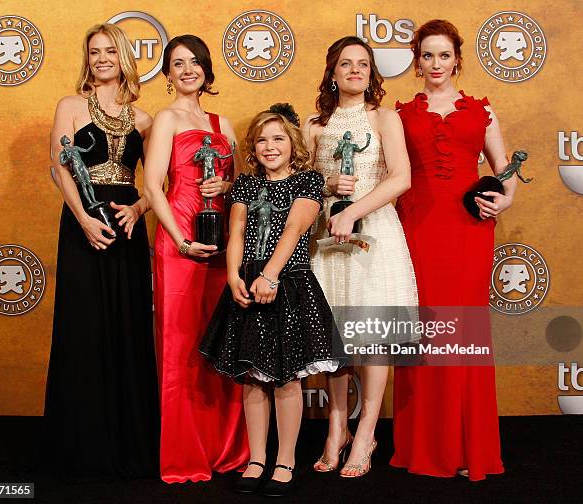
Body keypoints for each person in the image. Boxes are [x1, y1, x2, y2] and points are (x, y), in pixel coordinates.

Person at [200, 104, 343, 497]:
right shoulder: (245, 184)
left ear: (292, 143)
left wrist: (270, 275)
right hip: (248, 281)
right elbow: (238, 229)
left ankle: (285, 460)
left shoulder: (308, 181)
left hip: (288, 283)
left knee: (286, 378)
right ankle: (257, 458)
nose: (269, 146)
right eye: (262, 139)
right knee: (253, 377)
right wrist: (233, 276)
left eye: (278, 138)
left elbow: (295, 229)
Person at [391, 19, 511, 481]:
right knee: (422, 329)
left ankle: (467, 446)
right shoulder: (400, 113)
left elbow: (504, 168)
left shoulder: (483, 110)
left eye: (444, 55)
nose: (435, 64)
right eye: (427, 55)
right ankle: (424, 445)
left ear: (457, 58)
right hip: (417, 227)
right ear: (416, 60)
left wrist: (503, 197)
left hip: (468, 228)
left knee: (462, 329)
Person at [44, 23, 159, 477]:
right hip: (82, 225)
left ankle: (129, 446)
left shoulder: (145, 118)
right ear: (86, 59)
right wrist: (84, 219)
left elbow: (157, 183)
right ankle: (82, 446)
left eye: (110, 51)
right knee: (85, 327)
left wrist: (139, 210)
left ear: (124, 57)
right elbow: (59, 167)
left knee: (128, 327)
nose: (102, 58)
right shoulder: (70, 106)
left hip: (127, 231)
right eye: (94, 52)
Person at [303, 36, 418, 478]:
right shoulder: (315, 125)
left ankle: (367, 427)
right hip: (328, 237)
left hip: (374, 232)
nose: (355, 70)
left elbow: (401, 177)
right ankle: (337, 423)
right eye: (346, 64)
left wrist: (354, 209)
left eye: (363, 64)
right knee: (333, 334)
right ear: (332, 72)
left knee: (370, 331)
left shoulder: (385, 117)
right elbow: (309, 185)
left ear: (372, 73)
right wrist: (331, 191)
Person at [143, 35, 248, 483]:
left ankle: (226, 449)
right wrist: (181, 241)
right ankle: (184, 455)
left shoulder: (225, 125)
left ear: (207, 70)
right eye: (177, 63)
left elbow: (242, 187)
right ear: (167, 74)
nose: (188, 70)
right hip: (179, 243)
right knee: (180, 349)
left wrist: (223, 190)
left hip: (224, 243)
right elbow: (152, 187)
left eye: (195, 62)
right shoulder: (165, 119)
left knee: (222, 344)